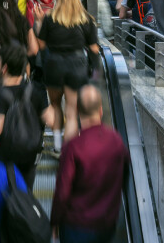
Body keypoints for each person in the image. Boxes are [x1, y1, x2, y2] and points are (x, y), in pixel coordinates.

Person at [51, 85, 130, 243]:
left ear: (78, 111)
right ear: (100, 110)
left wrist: (54, 221)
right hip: (106, 225)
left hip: (76, 226)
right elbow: (125, 176)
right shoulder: (117, 141)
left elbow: (62, 191)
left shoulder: (73, 147)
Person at [38, 0, 99, 150]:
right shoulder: (86, 19)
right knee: (72, 112)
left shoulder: (50, 18)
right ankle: (69, 150)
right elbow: (94, 48)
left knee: (55, 105)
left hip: (54, 65)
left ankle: (57, 145)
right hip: (77, 66)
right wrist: (95, 69)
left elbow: (41, 44)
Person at [0, 45, 52, 189]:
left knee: (4, 197)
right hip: (29, 158)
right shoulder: (36, 90)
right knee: (24, 196)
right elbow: (51, 120)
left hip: (5, 160)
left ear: (4, 68)